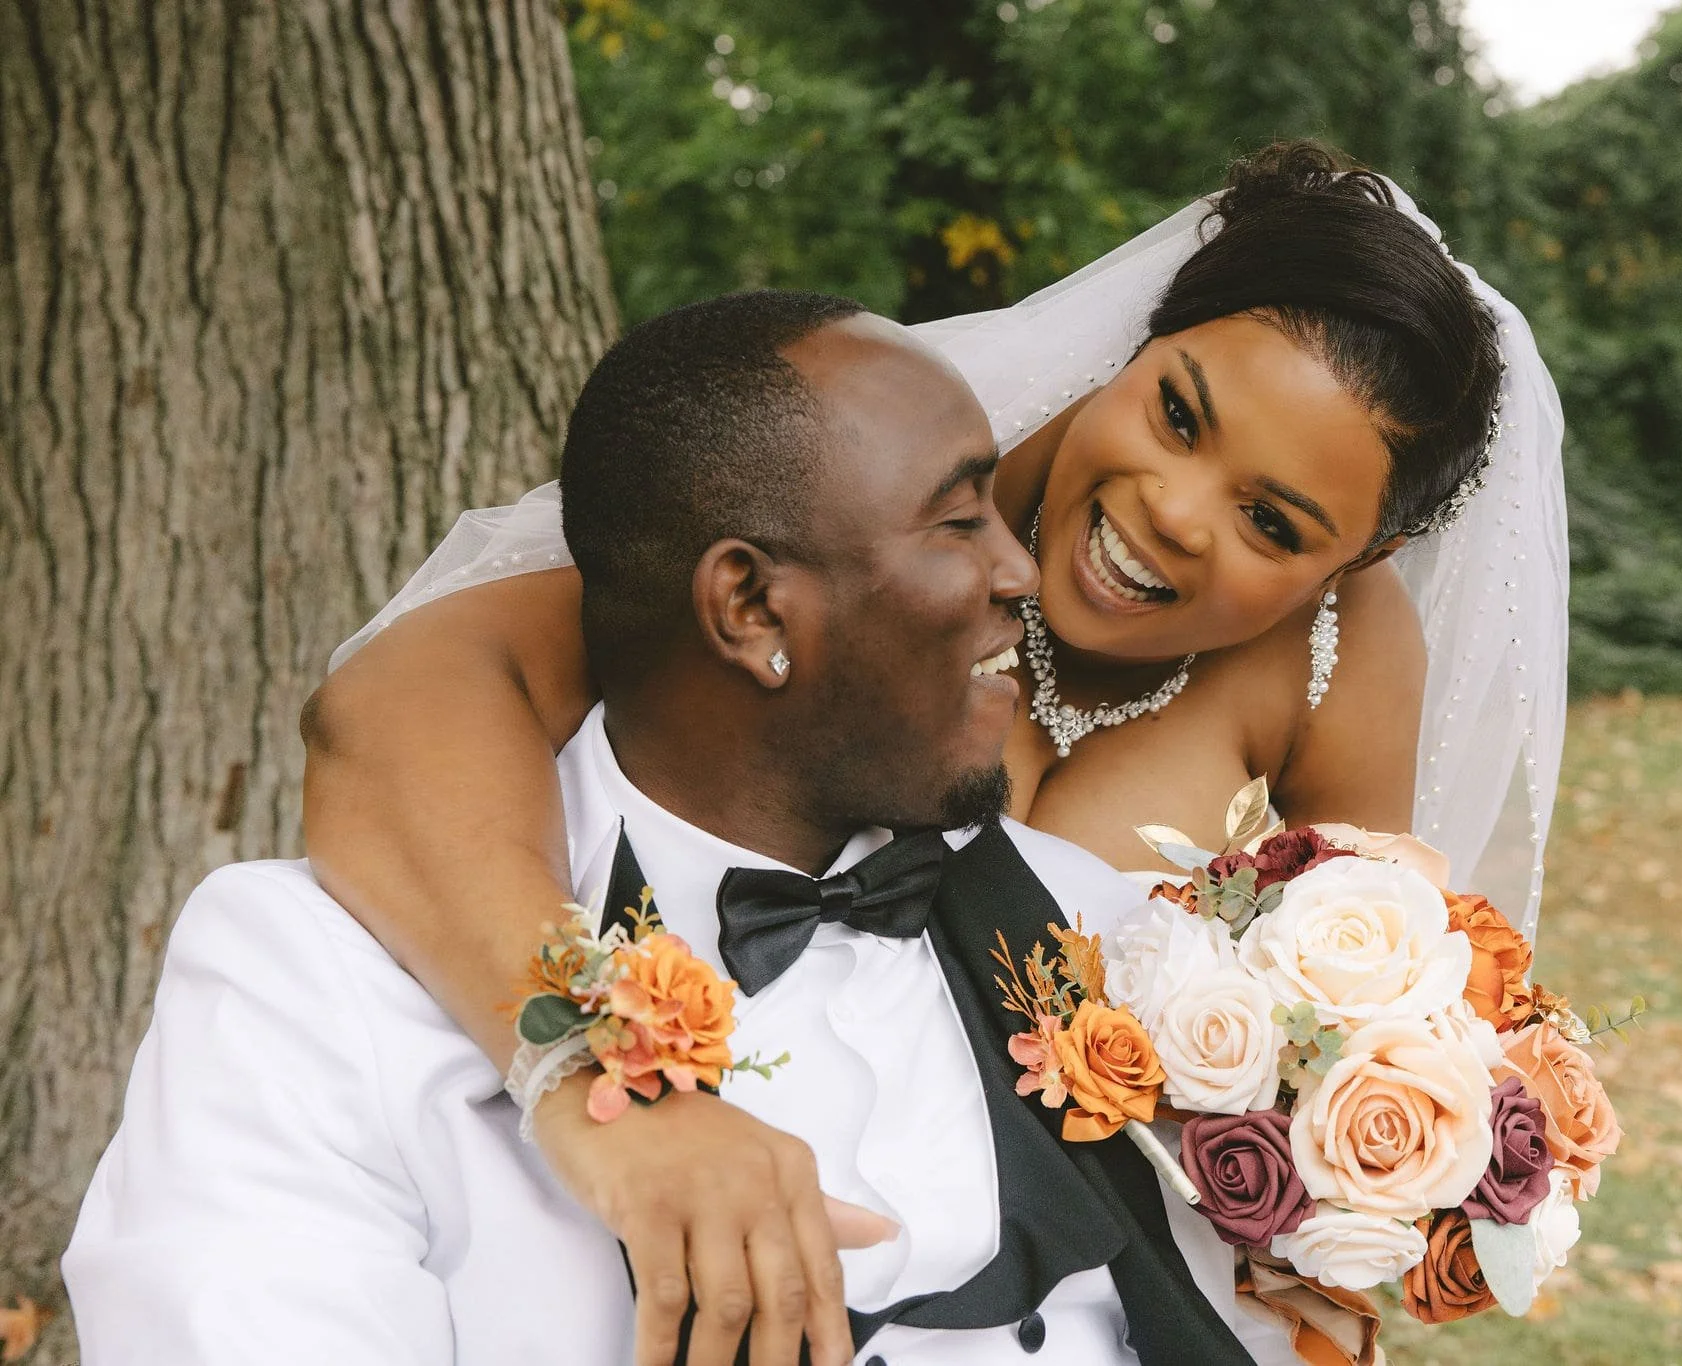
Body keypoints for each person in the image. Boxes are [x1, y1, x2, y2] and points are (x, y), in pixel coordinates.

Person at [301, 142, 1567, 1363]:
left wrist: (1345, 1201)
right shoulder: (877, 492)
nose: (1171, 513)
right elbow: (399, 699)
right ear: (1137, 346)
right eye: (1175, 412)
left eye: (1270, 522)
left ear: (1354, 562)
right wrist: (578, 1067)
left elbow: (1351, 1025)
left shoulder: (1335, 654)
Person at [65, 292, 1286, 1366]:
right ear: (751, 601)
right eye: (958, 521)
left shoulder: (1110, 936)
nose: (1021, 572)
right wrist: (577, 1063)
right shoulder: (311, 982)